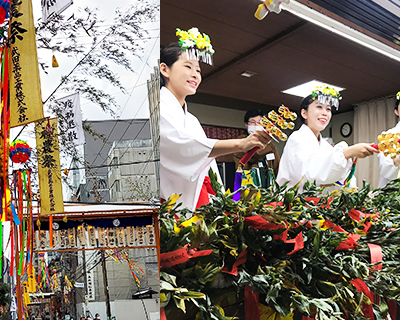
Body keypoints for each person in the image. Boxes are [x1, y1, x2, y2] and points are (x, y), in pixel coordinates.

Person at [160, 27, 271, 210]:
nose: (195, 74)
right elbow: (183, 147)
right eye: (188, 66)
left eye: (198, 70)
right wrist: (240, 144)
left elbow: (206, 165)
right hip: (176, 204)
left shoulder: (192, 120)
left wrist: (218, 198)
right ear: (165, 69)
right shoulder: (159, 109)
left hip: (200, 200)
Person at [277, 85, 378, 189]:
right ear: (304, 113)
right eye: (319, 107)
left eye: (328, 109)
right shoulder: (297, 138)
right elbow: (309, 174)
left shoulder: (326, 146)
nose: (325, 113)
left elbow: (341, 179)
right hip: (294, 203)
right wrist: (347, 152)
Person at [231, 109, 281, 197]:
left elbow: (277, 166)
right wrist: (265, 141)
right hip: (249, 190)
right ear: (246, 125)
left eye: (260, 122)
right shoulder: (241, 141)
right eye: (253, 122)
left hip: (269, 189)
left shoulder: (270, 145)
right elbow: (256, 155)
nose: (257, 125)